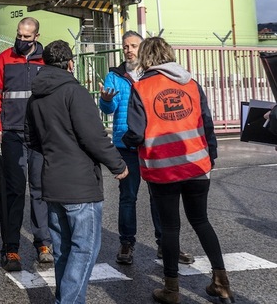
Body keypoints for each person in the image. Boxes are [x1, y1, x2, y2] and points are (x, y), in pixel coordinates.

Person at [123, 37, 233, 304]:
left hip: (162, 168)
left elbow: (136, 134)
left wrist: (125, 142)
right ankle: (221, 282)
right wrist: (211, 156)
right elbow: (207, 123)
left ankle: (172, 289)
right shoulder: (191, 83)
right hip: (197, 164)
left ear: (147, 57)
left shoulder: (142, 87)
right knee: (201, 221)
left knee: (170, 228)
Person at [25, 40, 128, 304]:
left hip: (52, 182)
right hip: (80, 184)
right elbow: (93, 137)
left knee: (63, 250)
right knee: (84, 251)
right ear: (71, 63)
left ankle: (66, 297)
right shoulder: (75, 92)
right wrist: (118, 165)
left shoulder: (36, 97)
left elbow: (32, 140)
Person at [99, 31, 194, 266]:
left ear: (143, 48)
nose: (129, 50)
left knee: (159, 197)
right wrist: (106, 100)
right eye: (125, 46)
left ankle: (166, 245)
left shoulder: (154, 75)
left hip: (151, 144)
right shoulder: (115, 75)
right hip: (126, 144)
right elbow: (108, 110)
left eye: (133, 46)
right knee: (128, 197)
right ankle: (126, 244)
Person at [0, 16, 52, 271]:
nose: (21, 40)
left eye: (27, 37)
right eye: (19, 35)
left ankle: (43, 244)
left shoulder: (45, 61)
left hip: (38, 135)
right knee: (13, 192)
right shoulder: (3, 58)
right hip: (12, 133)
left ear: (37, 36)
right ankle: (11, 249)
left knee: (40, 189)